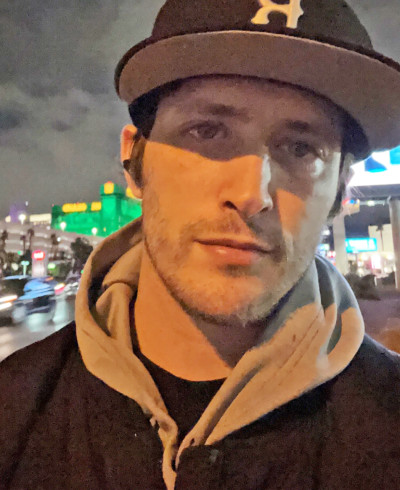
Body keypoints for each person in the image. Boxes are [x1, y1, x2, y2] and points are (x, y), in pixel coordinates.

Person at [1, 0, 400, 488]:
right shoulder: (13, 413)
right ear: (134, 161)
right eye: (206, 131)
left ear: (339, 191)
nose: (251, 194)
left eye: (301, 148)